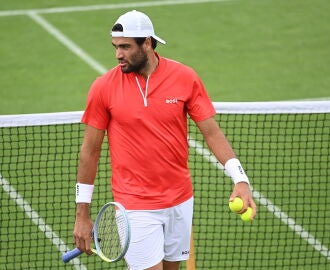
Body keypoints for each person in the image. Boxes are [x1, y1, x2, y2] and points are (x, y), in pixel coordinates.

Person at [73, 9, 257, 270]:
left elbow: (212, 133)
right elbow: (89, 152)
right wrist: (82, 214)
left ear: (147, 43)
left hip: (180, 201)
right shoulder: (103, 87)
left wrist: (240, 179)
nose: (118, 55)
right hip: (134, 206)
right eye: (115, 47)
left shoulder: (185, 78)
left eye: (125, 47)